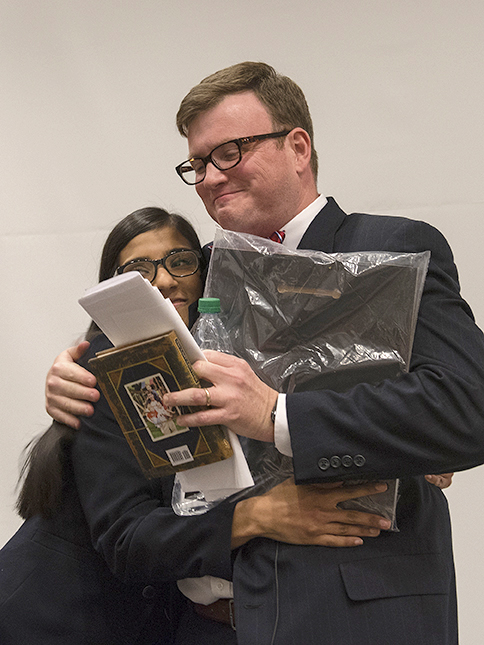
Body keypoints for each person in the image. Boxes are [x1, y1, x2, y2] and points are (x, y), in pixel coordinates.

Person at [43, 62, 484, 644]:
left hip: (364, 615)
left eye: (229, 151)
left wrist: (276, 415)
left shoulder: (393, 247)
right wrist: (66, 373)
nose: (209, 177)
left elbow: (467, 409)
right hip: (208, 625)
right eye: (197, 164)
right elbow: (115, 352)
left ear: (298, 147)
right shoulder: (188, 269)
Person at [1, 207, 392, 645]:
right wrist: (260, 515)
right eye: (139, 270)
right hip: (54, 616)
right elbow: (129, 539)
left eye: (180, 261)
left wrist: (403, 446)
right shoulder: (106, 370)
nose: (165, 280)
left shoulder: (227, 360)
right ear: (112, 288)